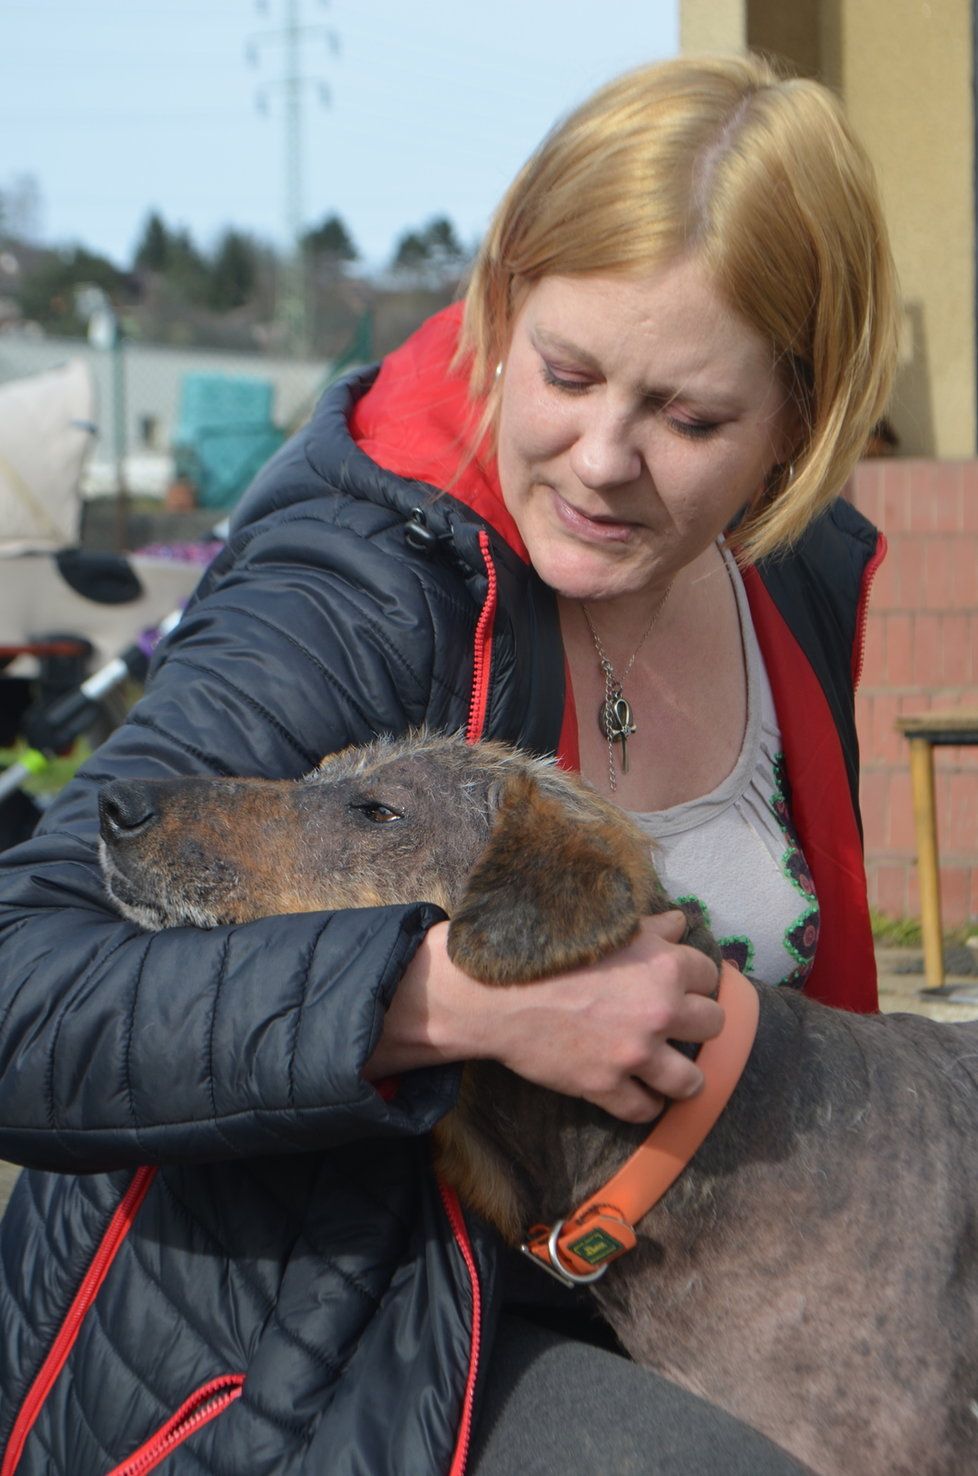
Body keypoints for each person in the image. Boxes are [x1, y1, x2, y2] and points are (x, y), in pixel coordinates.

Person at [0, 52, 896, 1476]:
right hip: (328, 1334)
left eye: (689, 418)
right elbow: (23, 985)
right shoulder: (355, 580)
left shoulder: (796, 575)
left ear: (800, 415)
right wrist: (445, 1004)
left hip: (679, 1276)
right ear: (497, 305)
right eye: (568, 373)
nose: (602, 458)